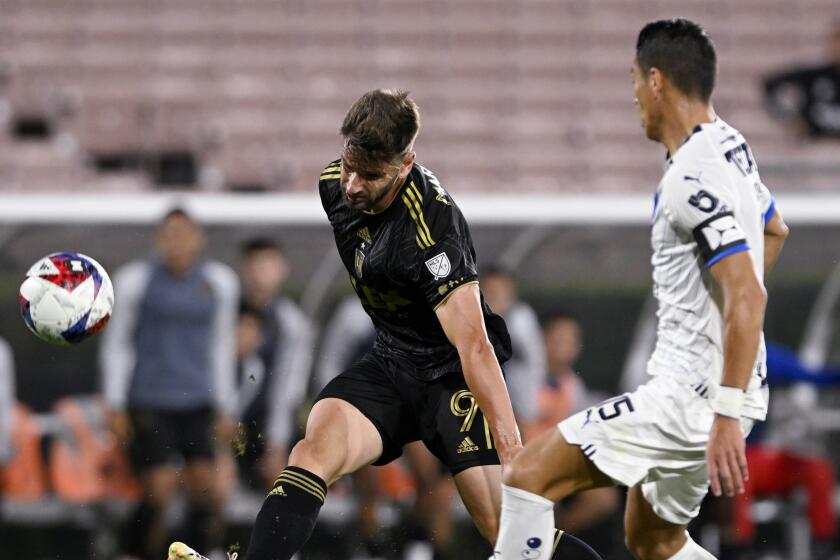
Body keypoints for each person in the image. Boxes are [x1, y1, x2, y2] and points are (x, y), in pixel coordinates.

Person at [169, 88, 521, 560]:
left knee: (511, 534)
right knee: (312, 452)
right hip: (392, 361)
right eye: (350, 165)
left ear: (407, 163)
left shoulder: (433, 230)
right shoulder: (333, 184)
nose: (353, 184)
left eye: (371, 175)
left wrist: (511, 442)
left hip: (451, 373)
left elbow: (474, 344)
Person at [492, 19, 790, 560]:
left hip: (692, 400)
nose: (632, 97)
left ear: (657, 81)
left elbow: (748, 293)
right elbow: (774, 229)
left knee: (526, 476)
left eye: (632, 80)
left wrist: (721, 412)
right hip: (723, 393)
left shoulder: (690, 179)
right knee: (654, 539)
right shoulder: (731, 146)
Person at [101, 207, 239, 560]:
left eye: (183, 233)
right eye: (168, 234)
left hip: (197, 401)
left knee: (204, 485)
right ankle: (132, 551)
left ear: (199, 239)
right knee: (159, 489)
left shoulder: (219, 283)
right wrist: (115, 402)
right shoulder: (135, 281)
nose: (175, 241)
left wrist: (225, 404)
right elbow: (118, 342)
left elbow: (221, 346)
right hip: (150, 399)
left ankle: (199, 553)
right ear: (158, 239)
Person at [236, 238, 315, 492]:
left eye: (268, 266)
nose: (261, 275)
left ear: (283, 270)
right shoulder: (224, 315)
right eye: (255, 266)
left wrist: (277, 445)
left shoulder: (292, 324)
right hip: (226, 424)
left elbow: (288, 388)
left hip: (271, 428)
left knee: (281, 481)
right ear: (244, 269)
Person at [480, 264, 546, 434]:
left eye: (499, 291)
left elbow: (515, 350)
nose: (494, 296)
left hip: (521, 411)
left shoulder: (521, 317)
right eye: (489, 290)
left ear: (511, 292)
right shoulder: (472, 317)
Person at [763, 20, 840, 139]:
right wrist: (789, 118)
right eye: (836, 41)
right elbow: (770, 83)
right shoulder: (814, 75)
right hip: (815, 147)